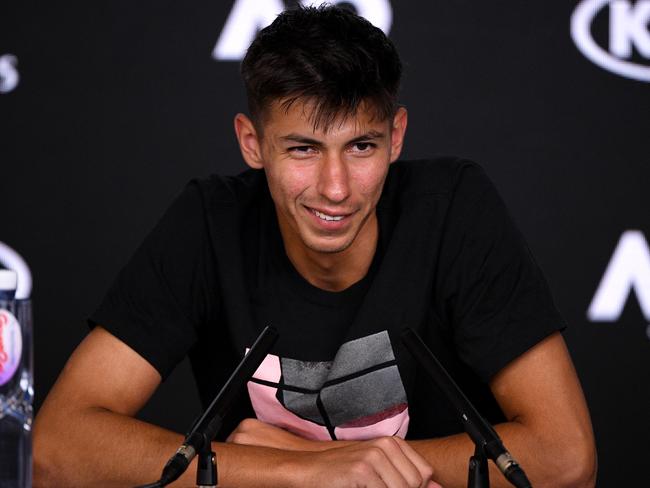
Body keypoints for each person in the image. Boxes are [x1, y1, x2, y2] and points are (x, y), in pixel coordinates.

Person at [33, 5, 597, 488]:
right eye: (303, 149)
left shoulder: (452, 208)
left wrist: (317, 460)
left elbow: (568, 461)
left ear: (396, 137)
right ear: (252, 144)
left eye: (361, 146)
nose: (335, 188)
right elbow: (56, 450)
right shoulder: (212, 220)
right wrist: (301, 474)